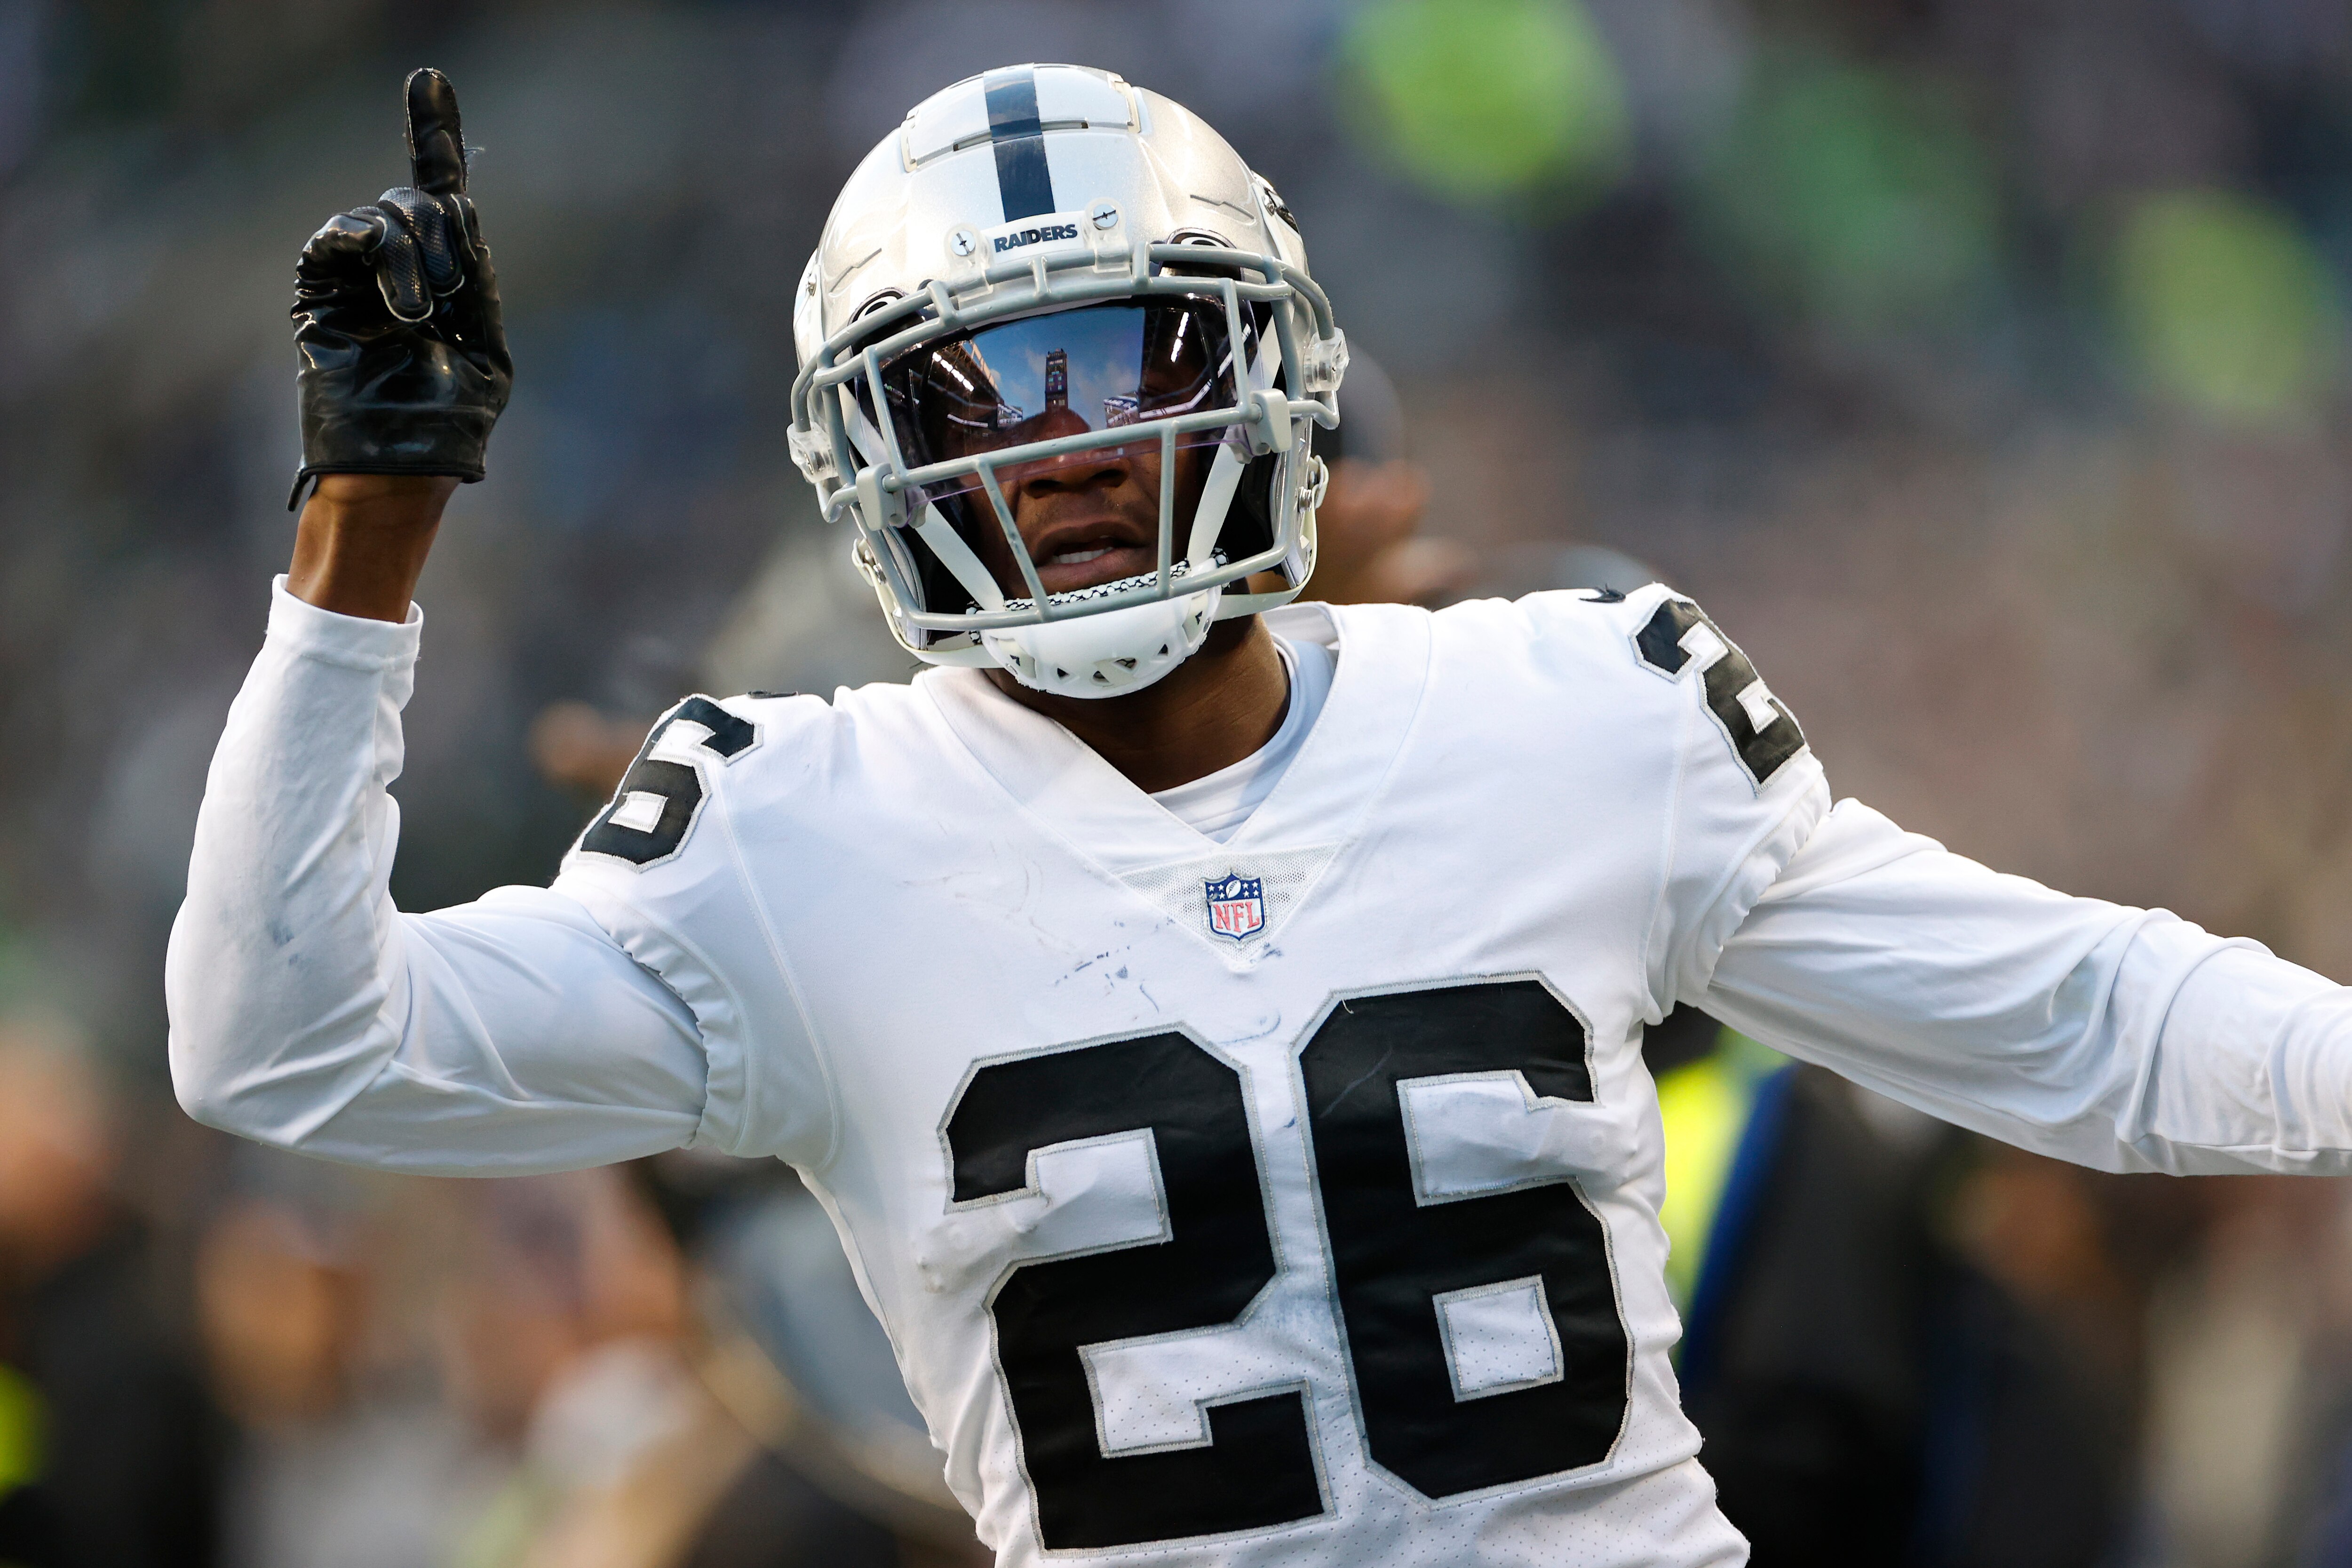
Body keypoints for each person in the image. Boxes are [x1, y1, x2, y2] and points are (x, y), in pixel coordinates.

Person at [168, 65, 2352, 1568]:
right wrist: (365, 535)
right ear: (861, 453)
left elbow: (2079, 1014)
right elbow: (280, 1042)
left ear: (1257, 360)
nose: (1059, 446)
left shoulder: (1563, 701)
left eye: (1111, 357)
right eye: (971, 393)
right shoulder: (785, 828)